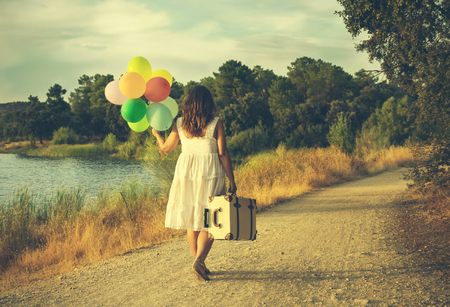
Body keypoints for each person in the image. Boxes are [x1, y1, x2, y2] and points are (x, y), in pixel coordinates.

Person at [152, 85, 237, 281]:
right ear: (208, 103)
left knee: (193, 222)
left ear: (189, 102)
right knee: (212, 221)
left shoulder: (180, 124)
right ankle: (199, 261)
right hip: (210, 173)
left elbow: (166, 148)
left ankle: (199, 262)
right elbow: (223, 153)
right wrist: (231, 179)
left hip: (187, 175)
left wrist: (157, 134)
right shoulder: (216, 123)